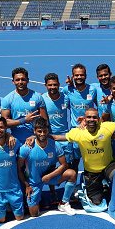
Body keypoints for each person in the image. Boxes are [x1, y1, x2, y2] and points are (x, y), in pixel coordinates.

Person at [49, 108, 115, 206]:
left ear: (99, 119)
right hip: (92, 172)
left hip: (108, 166)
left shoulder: (106, 126)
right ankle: (93, 184)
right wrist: (37, 137)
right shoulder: (77, 132)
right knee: (96, 202)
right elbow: (57, 137)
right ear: (84, 119)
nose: (92, 119)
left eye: (94, 117)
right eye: (89, 117)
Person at [17, 118, 77, 217]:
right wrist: (26, 185)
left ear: (48, 131)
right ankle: (35, 195)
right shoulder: (26, 148)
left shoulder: (55, 145)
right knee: (34, 214)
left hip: (47, 177)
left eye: (45, 131)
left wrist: (49, 176)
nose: (42, 134)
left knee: (72, 174)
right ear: (34, 131)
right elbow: (18, 169)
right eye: (39, 131)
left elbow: (64, 165)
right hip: (33, 182)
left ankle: (64, 202)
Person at [42, 72, 73, 203]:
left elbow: (74, 111)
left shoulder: (66, 98)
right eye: (50, 85)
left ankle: (68, 193)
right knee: (51, 165)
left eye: (55, 84)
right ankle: (53, 192)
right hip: (50, 138)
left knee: (68, 165)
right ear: (45, 86)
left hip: (65, 137)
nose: (52, 87)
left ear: (59, 85)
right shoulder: (42, 99)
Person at [1, 67, 47, 143]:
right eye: (17, 80)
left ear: (28, 80)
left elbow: (44, 121)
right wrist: (24, 120)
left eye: (23, 79)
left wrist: (35, 136)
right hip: (16, 141)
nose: (20, 82)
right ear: (13, 81)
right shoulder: (8, 99)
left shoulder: (37, 97)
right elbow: (4, 123)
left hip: (35, 140)